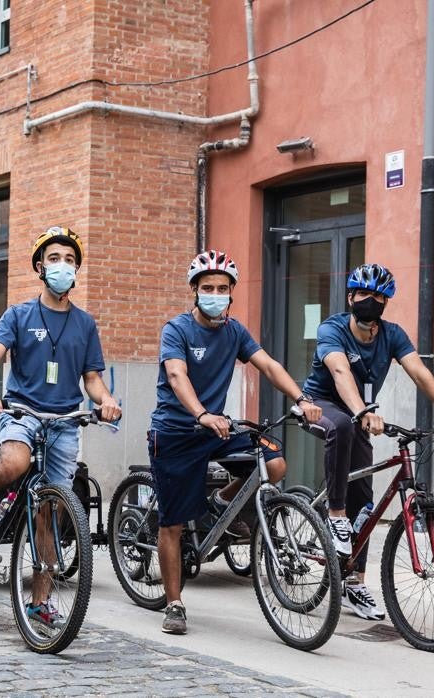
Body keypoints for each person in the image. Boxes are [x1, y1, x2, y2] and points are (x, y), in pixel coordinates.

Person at [148, 250, 322, 635]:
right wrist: (201, 414)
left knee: (273, 463)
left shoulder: (234, 331)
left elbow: (269, 365)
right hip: (176, 432)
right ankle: (174, 603)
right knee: (172, 524)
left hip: (218, 429)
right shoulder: (176, 330)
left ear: (231, 293)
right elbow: (177, 376)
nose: (216, 294)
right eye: (208, 288)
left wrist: (302, 399)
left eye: (223, 288)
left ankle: (222, 501)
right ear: (195, 291)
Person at [0, 225, 122, 629]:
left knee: (50, 509)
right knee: (14, 464)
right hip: (21, 413)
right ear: (40, 267)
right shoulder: (18, 315)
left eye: (70, 260)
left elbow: (92, 379)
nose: (63, 266)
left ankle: (40, 603)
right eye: (54, 259)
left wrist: (106, 400)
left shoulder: (84, 324)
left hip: (64, 421)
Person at [301, 262, 434, 621]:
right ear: (351, 297)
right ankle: (335, 516)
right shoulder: (332, 328)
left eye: (379, 297)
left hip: (361, 413)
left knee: (364, 501)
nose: (371, 301)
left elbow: (420, 373)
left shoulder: (392, 335)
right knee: (342, 427)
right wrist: (362, 411)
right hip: (320, 405)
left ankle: (354, 583)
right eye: (364, 294)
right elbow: (340, 371)